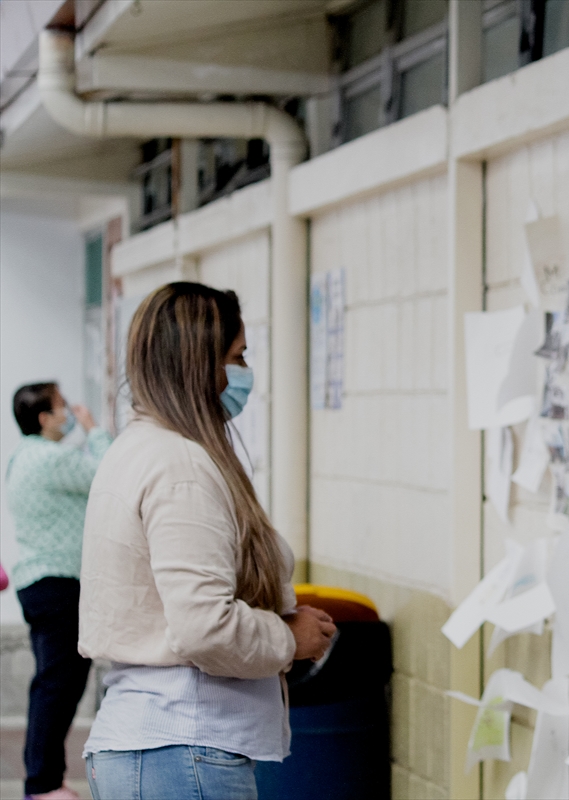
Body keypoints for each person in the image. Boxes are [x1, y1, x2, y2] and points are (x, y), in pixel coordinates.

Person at [78, 283, 337, 800]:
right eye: (237, 358)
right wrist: (290, 638)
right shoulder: (181, 465)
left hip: (156, 748)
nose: (244, 374)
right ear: (201, 365)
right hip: (182, 745)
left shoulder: (139, 449)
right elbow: (204, 626)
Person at [7, 382, 112, 800]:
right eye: (62, 406)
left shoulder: (22, 457)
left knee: (52, 684)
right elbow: (107, 475)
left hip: (40, 583)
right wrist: (95, 430)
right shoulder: (51, 458)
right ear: (43, 419)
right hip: (58, 584)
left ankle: (45, 780)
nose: (70, 411)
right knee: (58, 686)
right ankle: (43, 784)